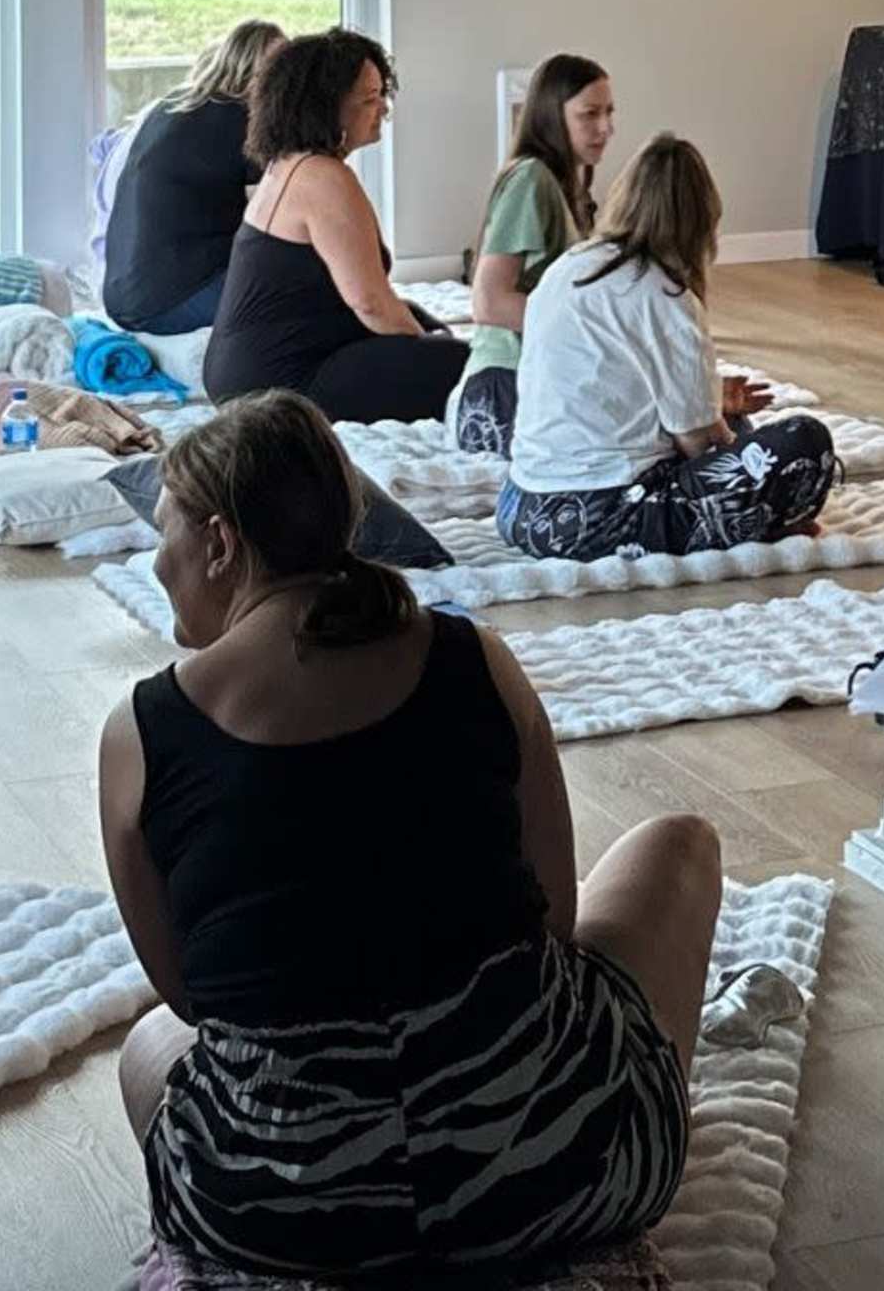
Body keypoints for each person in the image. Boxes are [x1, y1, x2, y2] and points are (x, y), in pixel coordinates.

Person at [100, 391, 716, 1276]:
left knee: (147, 1049)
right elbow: (554, 923)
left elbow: (194, 999)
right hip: (562, 1175)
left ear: (221, 544)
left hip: (272, 1214)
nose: (156, 559)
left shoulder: (141, 732)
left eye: (163, 533)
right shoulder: (476, 659)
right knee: (680, 845)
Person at [500, 139, 835, 561]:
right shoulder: (665, 293)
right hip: (599, 518)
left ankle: (753, 515)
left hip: (522, 507)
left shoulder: (571, 265)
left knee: (734, 426)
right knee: (804, 440)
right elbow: (699, 445)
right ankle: (761, 522)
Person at [199, 31, 466, 424]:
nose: (383, 110)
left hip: (239, 372)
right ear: (327, 109)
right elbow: (369, 303)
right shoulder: (324, 177)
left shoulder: (287, 163)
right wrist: (421, 348)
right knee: (465, 364)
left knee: (422, 321)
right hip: (277, 386)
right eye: (368, 100)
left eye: (382, 95)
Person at [451, 54, 613, 456]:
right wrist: (586, 328)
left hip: (542, 377)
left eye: (609, 112)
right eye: (589, 114)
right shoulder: (531, 179)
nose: (606, 128)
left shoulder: (569, 185)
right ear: (551, 116)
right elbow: (489, 302)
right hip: (504, 386)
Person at [101, 21, 285, 336]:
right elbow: (278, 215)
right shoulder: (242, 121)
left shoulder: (173, 105)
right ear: (257, 75)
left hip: (122, 298)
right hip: (169, 304)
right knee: (297, 278)